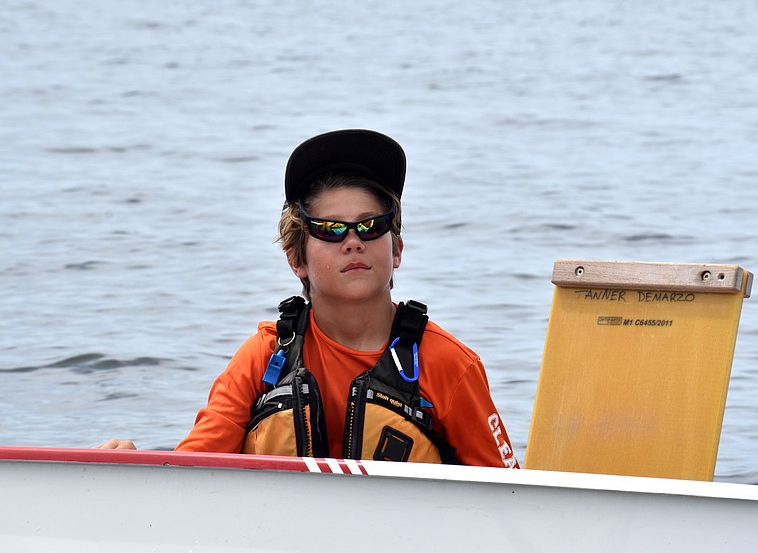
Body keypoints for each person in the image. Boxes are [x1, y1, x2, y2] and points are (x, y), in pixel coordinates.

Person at [99, 129, 518, 468]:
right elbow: (189, 472)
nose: (353, 241)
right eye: (330, 229)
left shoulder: (450, 366)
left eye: (371, 226)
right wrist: (134, 469)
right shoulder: (262, 358)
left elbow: (516, 499)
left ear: (396, 250)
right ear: (296, 258)